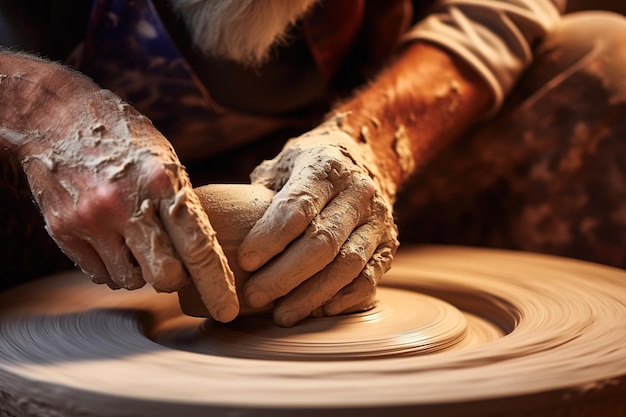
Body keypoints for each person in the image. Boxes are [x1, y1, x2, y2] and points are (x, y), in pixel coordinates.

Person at [1, 0, 625, 327]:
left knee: (605, 65)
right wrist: (40, 112)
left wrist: (375, 138)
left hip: (329, 136)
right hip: (47, 187)